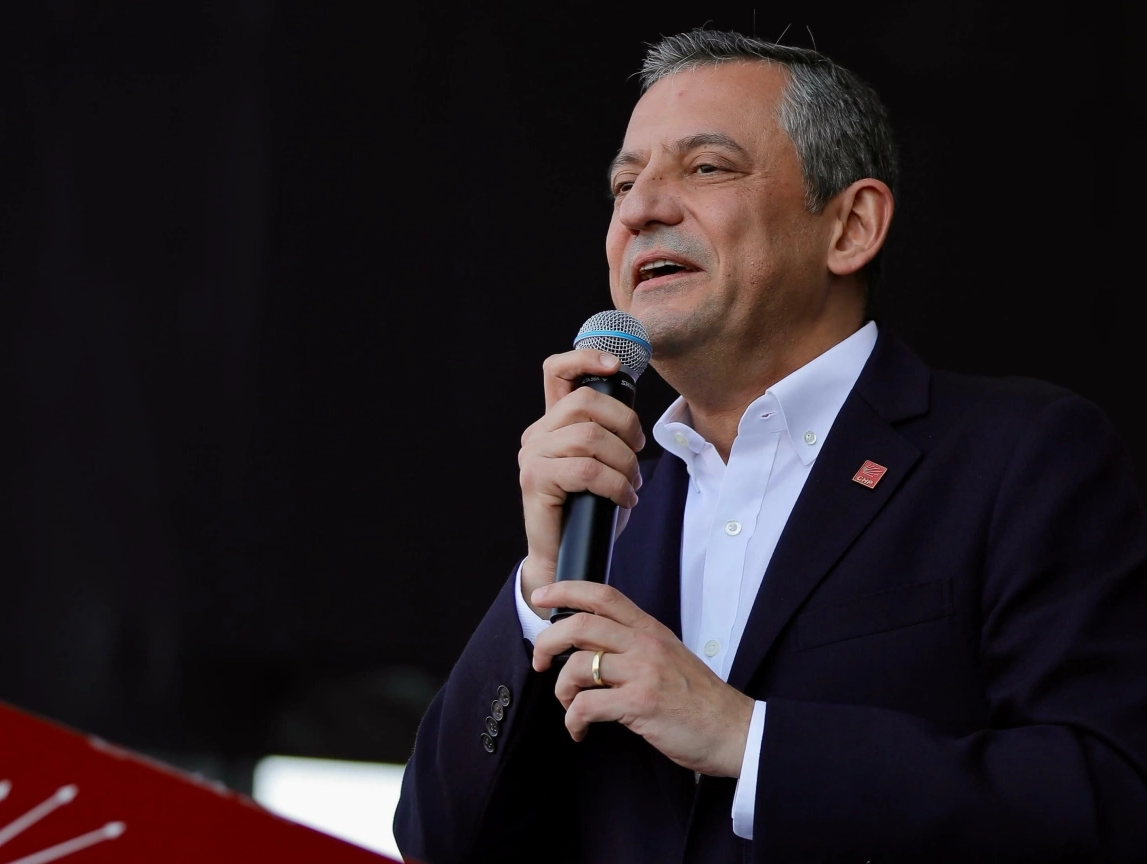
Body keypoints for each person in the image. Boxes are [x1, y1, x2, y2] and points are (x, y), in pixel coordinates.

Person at [393, 29, 1147, 864]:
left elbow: (1108, 801)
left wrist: (747, 740)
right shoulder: (611, 511)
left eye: (706, 168)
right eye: (624, 183)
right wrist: (541, 587)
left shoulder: (1021, 458)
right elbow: (441, 843)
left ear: (850, 226)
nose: (641, 209)